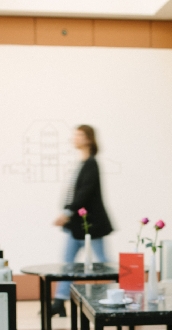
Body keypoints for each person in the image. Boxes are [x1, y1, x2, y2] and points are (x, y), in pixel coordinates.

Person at [50, 125, 114, 317]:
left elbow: (84, 194)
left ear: (88, 139)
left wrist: (67, 213)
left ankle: (122, 295)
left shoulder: (91, 164)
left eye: (79, 135)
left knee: (104, 262)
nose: (74, 138)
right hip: (77, 226)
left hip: (89, 226)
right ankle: (59, 302)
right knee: (68, 264)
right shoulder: (83, 163)